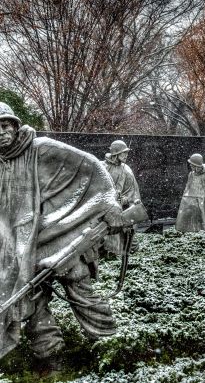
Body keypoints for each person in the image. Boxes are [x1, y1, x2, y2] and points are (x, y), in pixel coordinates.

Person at [0, 102, 122, 370]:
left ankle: (109, 346)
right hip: (22, 245)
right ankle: (50, 356)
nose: (0, 132)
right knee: (32, 300)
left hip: (62, 236)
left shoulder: (41, 148)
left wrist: (108, 201)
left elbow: (91, 166)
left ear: (15, 125)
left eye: (4, 125)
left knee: (80, 290)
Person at [102, 140, 142, 253]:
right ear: (115, 153)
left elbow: (133, 190)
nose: (126, 155)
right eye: (123, 153)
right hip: (104, 207)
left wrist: (127, 199)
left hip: (120, 207)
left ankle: (128, 249)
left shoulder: (126, 169)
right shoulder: (102, 166)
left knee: (126, 232)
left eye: (126, 153)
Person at [175, 153, 205, 232]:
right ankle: (191, 230)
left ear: (196, 165)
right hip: (195, 201)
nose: (190, 166)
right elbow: (188, 188)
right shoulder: (191, 174)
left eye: (192, 165)